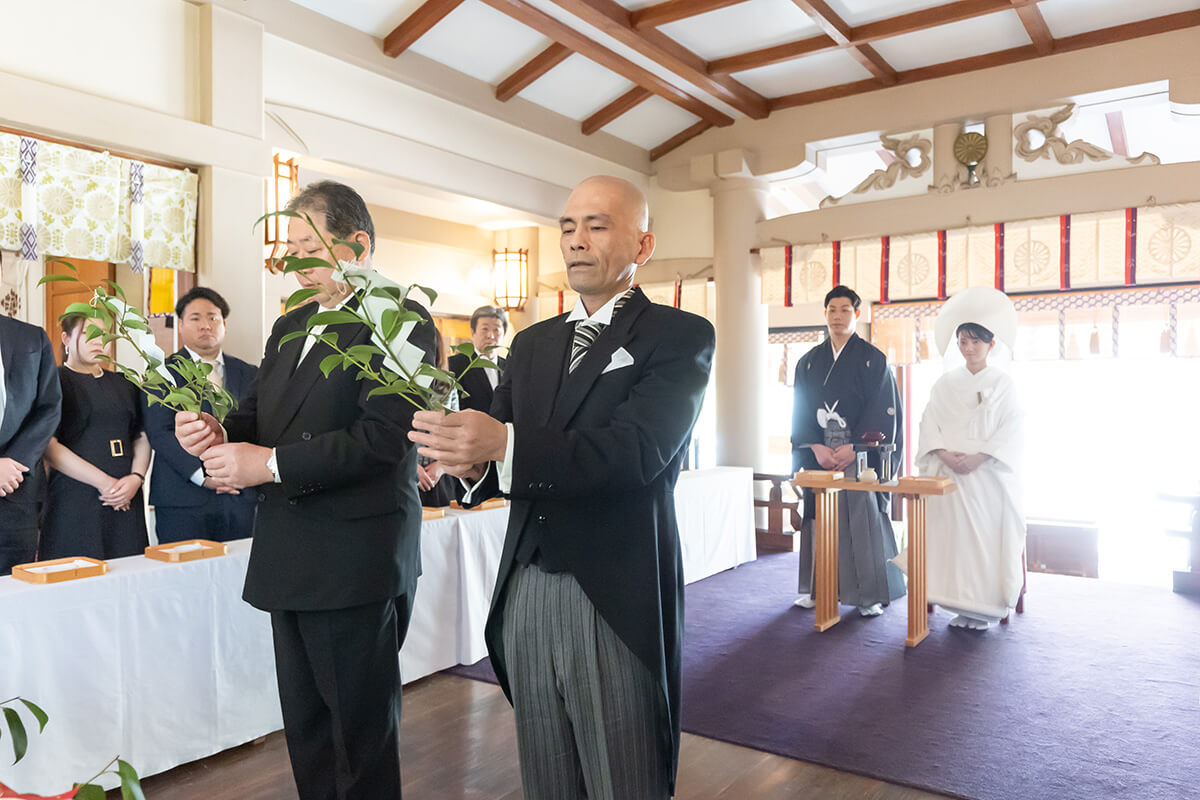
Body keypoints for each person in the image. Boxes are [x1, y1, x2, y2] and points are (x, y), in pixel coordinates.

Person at [410, 176, 715, 800]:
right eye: (568, 228)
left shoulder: (678, 336)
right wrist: (460, 458)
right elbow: (498, 446)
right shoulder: (530, 344)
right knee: (546, 771)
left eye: (597, 226)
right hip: (524, 581)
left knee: (622, 775)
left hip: (612, 586)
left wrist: (504, 446)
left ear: (643, 244)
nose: (577, 241)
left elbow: (638, 452)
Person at [174, 181, 436, 799]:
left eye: (305, 248)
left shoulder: (399, 321)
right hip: (289, 548)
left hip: (355, 555)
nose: (293, 263)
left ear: (357, 245)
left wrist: (265, 465)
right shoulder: (291, 321)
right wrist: (216, 431)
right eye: (288, 249)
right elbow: (259, 413)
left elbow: (382, 440)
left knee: (360, 733)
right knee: (307, 728)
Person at [791, 285, 906, 617]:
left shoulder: (873, 359)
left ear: (857, 314)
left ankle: (867, 594)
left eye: (845, 310)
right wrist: (814, 446)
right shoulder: (809, 363)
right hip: (820, 455)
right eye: (832, 310)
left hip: (859, 456)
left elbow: (883, 409)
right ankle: (818, 588)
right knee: (819, 519)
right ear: (824, 314)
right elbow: (800, 411)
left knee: (861, 518)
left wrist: (856, 449)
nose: (838, 316)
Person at [916, 288, 1025, 630]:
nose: (968, 347)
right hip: (949, 474)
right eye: (963, 340)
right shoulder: (944, 384)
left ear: (991, 344)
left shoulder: (1004, 383)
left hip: (987, 474)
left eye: (976, 341)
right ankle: (955, 602)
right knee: (953, 537)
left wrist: (978, 458)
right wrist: (947, 456)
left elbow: (1011, 429)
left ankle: (985, 607)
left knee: (986, 536)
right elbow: (928, 423)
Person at [143, 287, 258, 543]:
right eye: (195, 318)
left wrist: (240, 472)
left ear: (224, 324)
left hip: (241, 496)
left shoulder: (251, 373)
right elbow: (159, 432)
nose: (205, 325)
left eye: (213, 318)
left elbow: (260, 427)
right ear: (181, 324)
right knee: (185, 577)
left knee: (241, 575)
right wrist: (205, 476)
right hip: (183, 498)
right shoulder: (161, 374)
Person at [40, 314, 150, 560]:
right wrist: (105, 484)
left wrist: (136, 477)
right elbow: (49, 445)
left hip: (127, 496)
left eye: (104, 335)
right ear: (66, 338)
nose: (98, 341)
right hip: (76, 496)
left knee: (128, 575)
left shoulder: (125, 382)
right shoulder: (54, 381)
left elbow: (141, 435)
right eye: (89, 333)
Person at [0, 314, 62, 574]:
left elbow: (49, 407)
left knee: (18, 591)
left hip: (18, 488)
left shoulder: (32, 337)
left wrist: (14, 462)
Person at [448, 305, 508, 413]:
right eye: (485, 329)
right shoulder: (454, 365)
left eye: (496, 330)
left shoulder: (509, 366)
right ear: (472, 332)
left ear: (504, 333)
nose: (491, 336)